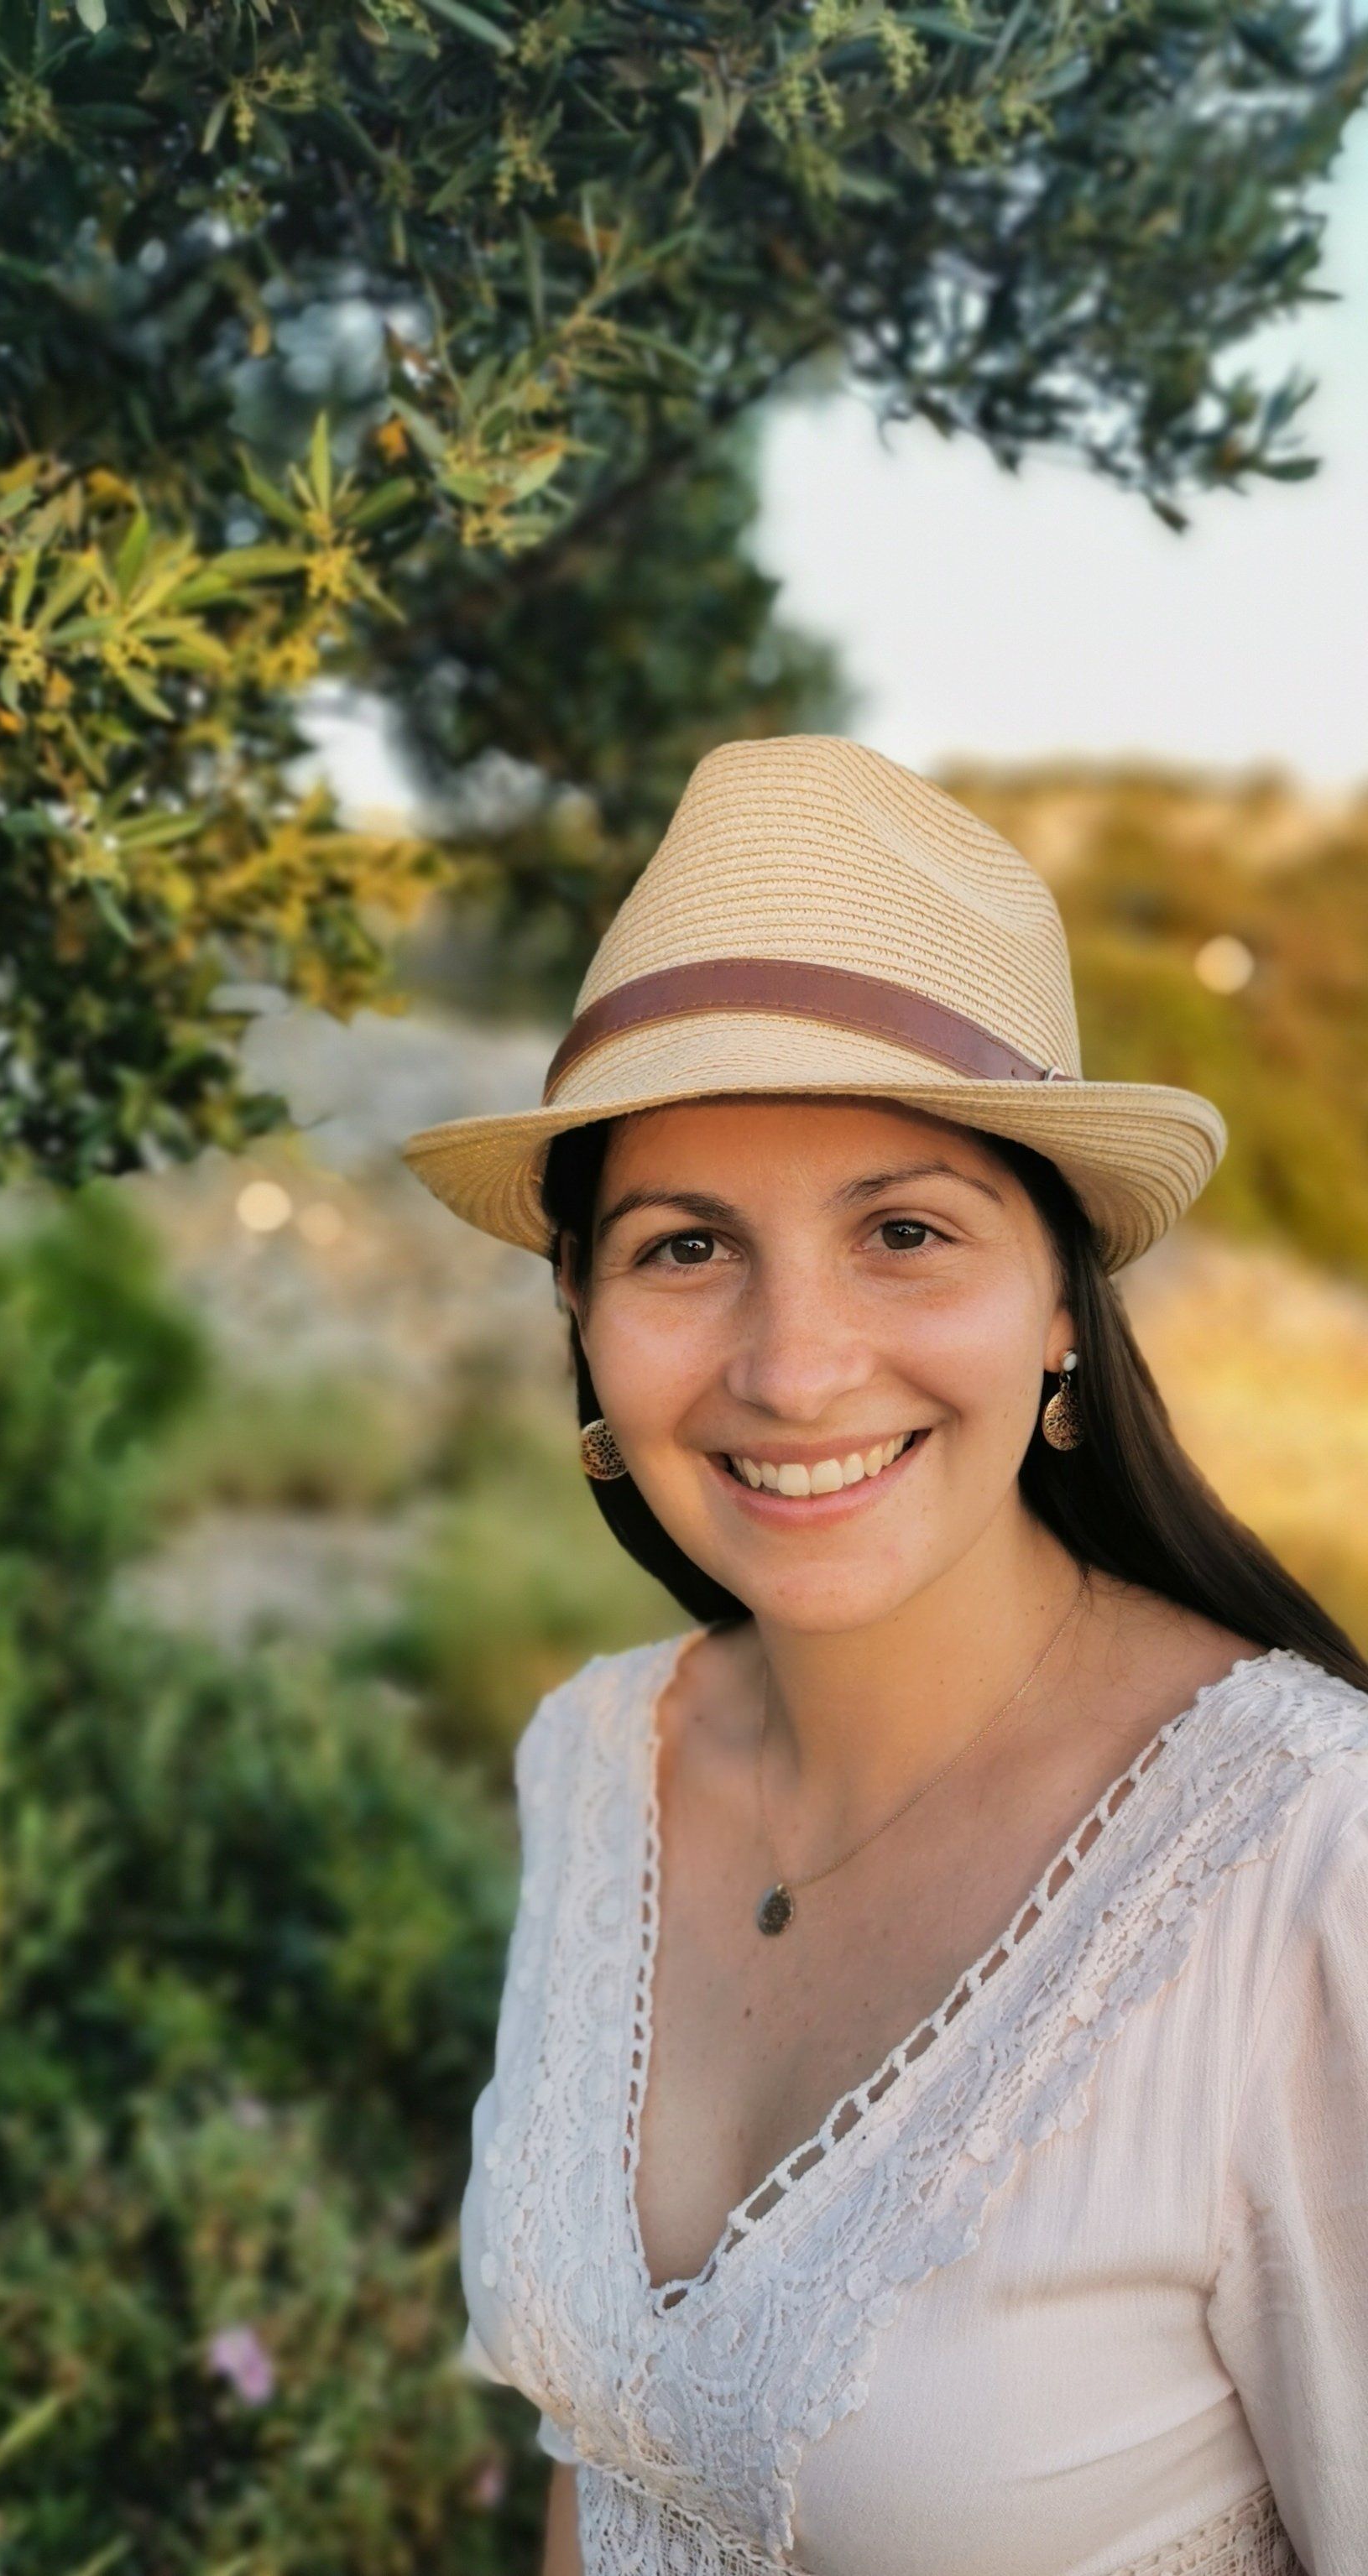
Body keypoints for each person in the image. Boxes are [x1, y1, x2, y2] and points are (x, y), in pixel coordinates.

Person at [398, 736, 1368, 2576]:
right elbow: (594, 2453)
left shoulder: (1310, 1868)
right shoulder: (598, 1757)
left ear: (1064, 1297)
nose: (793, 1366)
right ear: (582, 1311)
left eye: (905, 1230)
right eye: (686, 1246)